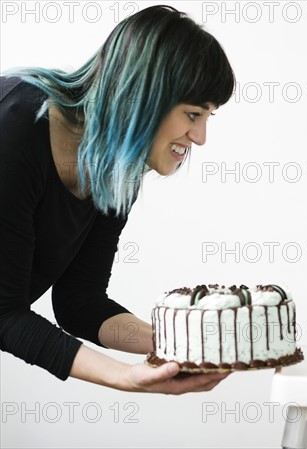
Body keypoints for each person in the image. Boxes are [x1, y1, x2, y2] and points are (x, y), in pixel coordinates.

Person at [0, 5, 236, 393]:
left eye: (209, 116)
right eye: (193, 114)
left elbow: (79, 301)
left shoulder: (118, 168)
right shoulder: (13, 127)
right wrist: (125, 377)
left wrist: (179, 345)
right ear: (142, 97)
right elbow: (4, 313)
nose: (201, 138)